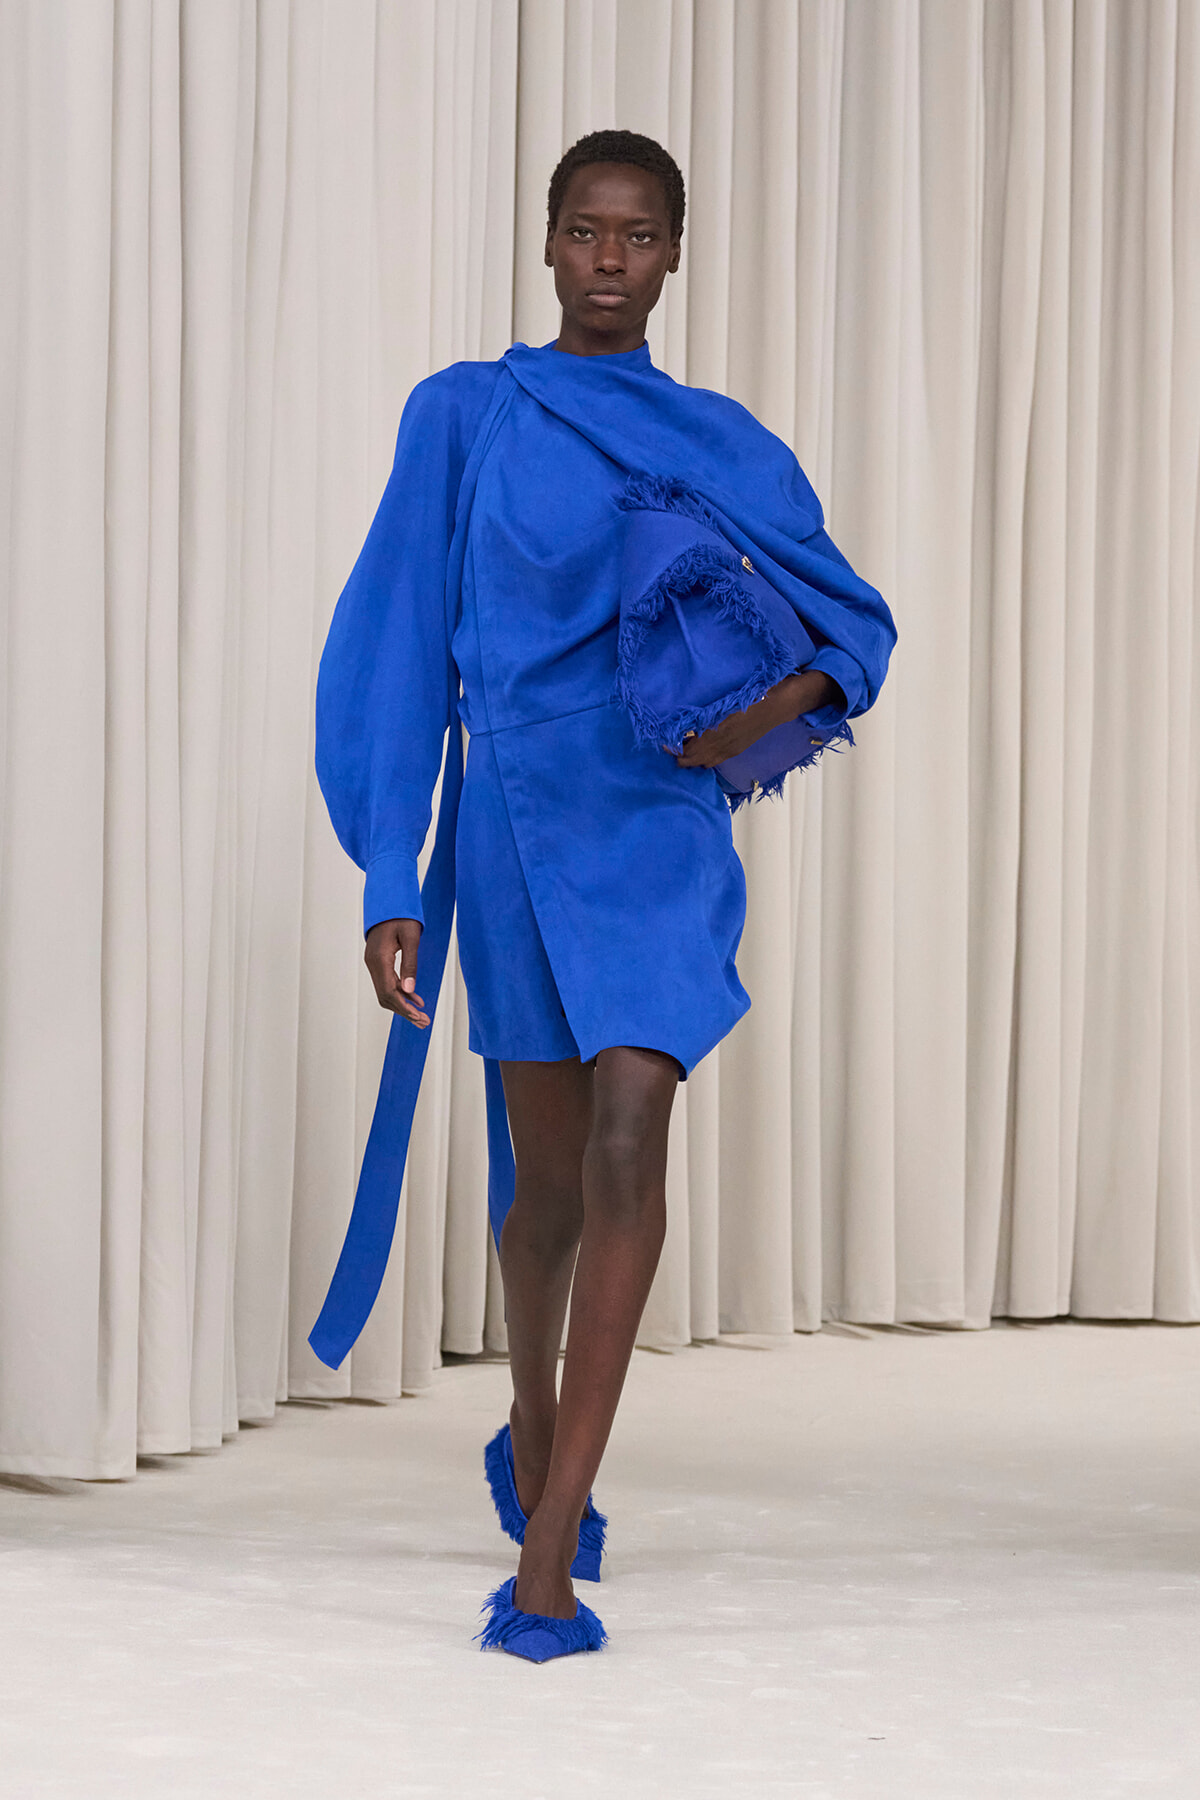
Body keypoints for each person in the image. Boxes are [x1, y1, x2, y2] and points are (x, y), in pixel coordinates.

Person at [310, 129, 895, 1662]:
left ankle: (553, 1544)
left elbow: (858, 626)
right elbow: (390, 642)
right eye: (586, 231)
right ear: (550, 244)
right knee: (548, 1189)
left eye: (638, 236)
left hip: (657, 828)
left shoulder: (723, 441)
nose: (610, 260)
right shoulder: (465, 416)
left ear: (675, 255)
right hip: (507, 832)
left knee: (634, 1134)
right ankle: (528, 1417)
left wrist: (740, 735)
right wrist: (391, 868)